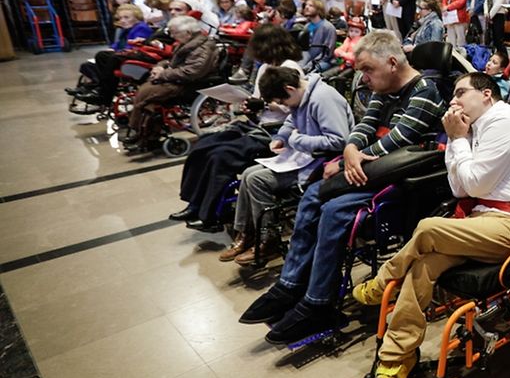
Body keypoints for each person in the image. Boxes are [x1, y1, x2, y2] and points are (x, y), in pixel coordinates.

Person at [349, 71, 510, 378]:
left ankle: (383, 279)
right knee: (424, 267)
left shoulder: (505, 122)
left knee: (428, 228)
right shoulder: (472, 128)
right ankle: (396, 357)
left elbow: (473, 185)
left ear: (487, 94)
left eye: (461, 93)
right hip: (484, 219)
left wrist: (458, 140)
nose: (453, 101)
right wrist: (456, 139)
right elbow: (460, 188)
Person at [238, 30, 447, 343]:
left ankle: (318, 302)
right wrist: (350, 150)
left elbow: (400, 139)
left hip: (404, 176)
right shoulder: (383, 86)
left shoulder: (424, 90)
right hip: (371, 168)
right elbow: (365, 125)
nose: (362, 78)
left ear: (392, 63)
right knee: (311, 196)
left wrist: (354, 157)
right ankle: (292, 283)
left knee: (334, 210)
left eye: (367, 70)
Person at [172, 25, 305, 230]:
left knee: (221, 156)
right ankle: (195, 204)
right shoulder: (264, 67)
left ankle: (211, 215)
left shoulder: (290, 69)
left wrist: (264, 104)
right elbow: (259, 99)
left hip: (276, 130)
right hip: (257, 123)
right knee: (204, 144)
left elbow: (295, 109)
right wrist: (249, 105)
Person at [221, 66, 353, 262]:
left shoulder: (323, 99)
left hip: (323, 162)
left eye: (282, 100)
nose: (283, 104)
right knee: (249, 174)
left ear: (290, 89)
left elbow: (339, 141)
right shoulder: (301, 96)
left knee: (257, 180)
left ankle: (269, 239)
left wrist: (296, 140)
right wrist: (281, 137)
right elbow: (291, 120)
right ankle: (246, 233)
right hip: (304, 157)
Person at [124, 16, 220, 152]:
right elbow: (173, 62)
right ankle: (148, 136)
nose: (172, 36)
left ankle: (137, 130)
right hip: (178, 79)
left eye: (175, 32)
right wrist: (161, 67)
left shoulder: (203, 48)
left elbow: (192, 72)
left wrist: (163, 74)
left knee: (146, 94)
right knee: (150, 100)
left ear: (188, 33)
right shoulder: (188, 43)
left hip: (190, 84)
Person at [66, 4, 155, 106]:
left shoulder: (141, 28)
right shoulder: (126, 30)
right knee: (96, 59)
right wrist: (112, 49)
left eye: (126, 17)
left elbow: (135, 47)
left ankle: (103, 94)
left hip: (137, 58)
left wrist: (114, 51)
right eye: (120, 18)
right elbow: (117, 45)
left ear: (137, 18)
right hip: (123, 55)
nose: (122, 20)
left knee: (107, 57)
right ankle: (93, 88)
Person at [300, 0, 337, 72]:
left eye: (311, 5)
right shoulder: (307, 26)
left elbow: (327, 53)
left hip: (322, 61)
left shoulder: (328, 27)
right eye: (306, 5)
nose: (307, 7)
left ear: (318, 9)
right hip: (307, 59)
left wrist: (310, 64)